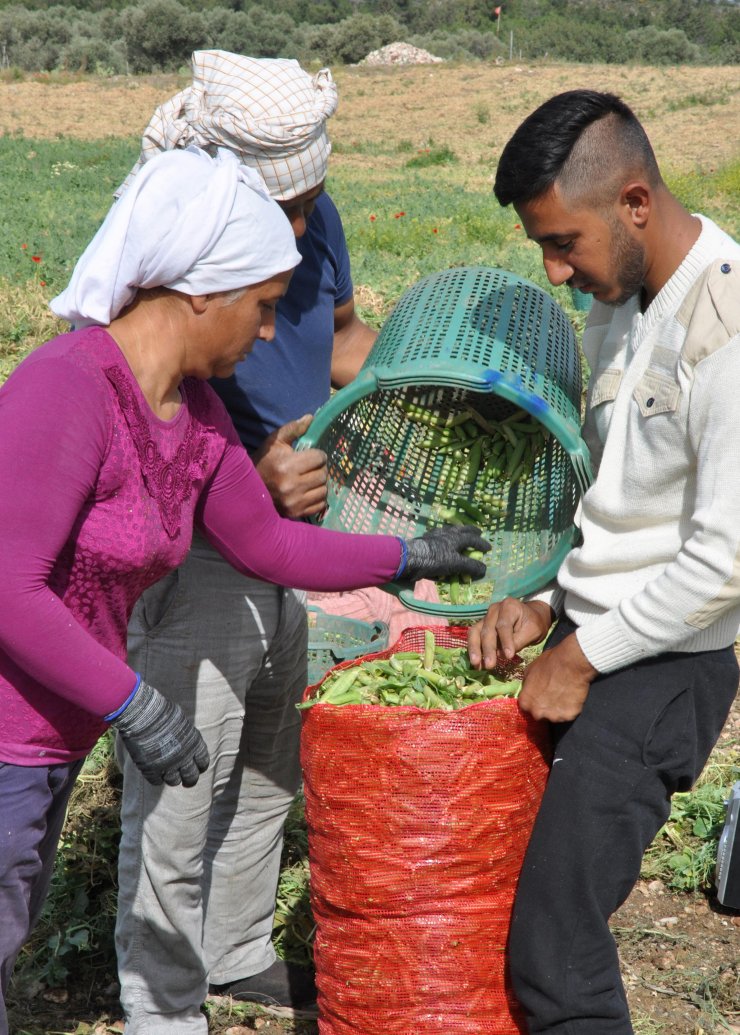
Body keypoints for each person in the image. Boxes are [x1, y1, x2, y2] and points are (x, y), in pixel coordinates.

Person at [0, 144, 489, 1035]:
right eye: (262, 306)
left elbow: (268, 543)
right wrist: (135, 702)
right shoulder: (65, 388)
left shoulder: (194, 411)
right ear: (202, 291)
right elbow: (9, 591)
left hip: (46, 740)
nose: (270, 332)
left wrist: (407, 555)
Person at [113, 51, 446, 1032]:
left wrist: (410, 382)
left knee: (268, 754)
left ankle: (235, 948)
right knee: (184, 780)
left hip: (299, 522)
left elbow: (340, 338)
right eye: (284, 210)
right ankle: (161, 999)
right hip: (204, 541)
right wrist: (248, 485)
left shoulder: (317, 221)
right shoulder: (167, 252)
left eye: (311, 203)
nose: (301, 229)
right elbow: (148, 430)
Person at [467, 88, 740, 1034]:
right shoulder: (617, 296)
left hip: (664, 665)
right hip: (594, 636)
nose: (553, 269)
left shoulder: (728, 321)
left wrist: (579, 657)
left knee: (554, 942)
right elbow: (612, 494)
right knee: (506, 890)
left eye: (562, 242)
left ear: (633, 202)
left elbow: (723, 563)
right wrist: (544, 600)